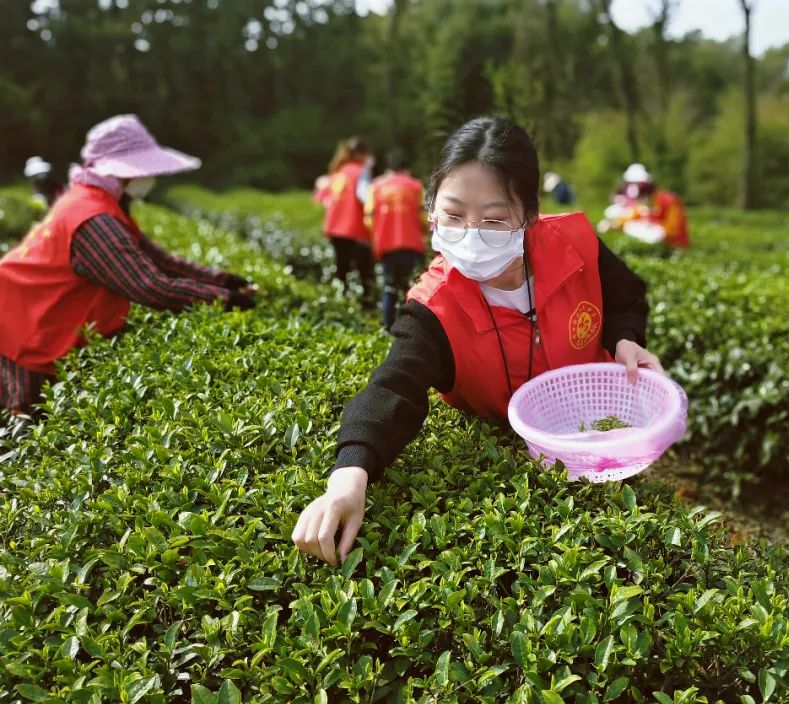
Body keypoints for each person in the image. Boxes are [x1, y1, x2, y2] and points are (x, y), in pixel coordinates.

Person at [292, 117, 662, 566]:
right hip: (518, 461)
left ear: (528, 213)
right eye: (452, 215)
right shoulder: (435, 307)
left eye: (493, 219)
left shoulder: (574, 244)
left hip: (597, 441)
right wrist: (348, 478)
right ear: (431, 210)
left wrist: (626, 339)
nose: (470, 234)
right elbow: (392, 387)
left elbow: (626, 294)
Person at [0, 114, 256, 415]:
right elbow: (150, 286)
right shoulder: (93, 220)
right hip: (20, 328)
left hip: (29, 317)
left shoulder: (97, 201)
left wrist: (225, 281)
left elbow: (159, 259)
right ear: (122, 172)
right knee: (23, 425)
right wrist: (228, 301)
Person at [370, 149, 427, 330]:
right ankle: (408, 328)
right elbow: (424, 217)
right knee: (410, 288)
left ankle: (388, 327)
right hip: (411, 244)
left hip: (386, 245)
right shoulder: (416, 186)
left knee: (389, 288)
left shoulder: (376, 186)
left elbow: (368, 218)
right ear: (406, 168)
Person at [322, 136, 376, 302]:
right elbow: (364, 196)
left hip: (335, 226)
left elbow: (325, 198)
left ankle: (342, 302)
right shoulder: (361, 171)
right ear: (362, 154)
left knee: (342, 267)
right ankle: (367, 303)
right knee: (364, 268)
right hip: (353, 227)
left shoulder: (338, 170)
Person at [601, 163, 690, 249]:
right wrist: (614, 224)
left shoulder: (670, 201)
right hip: (654, 239)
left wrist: (657, 229)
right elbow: (633, 215)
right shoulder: (645, 202)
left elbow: (673, 229)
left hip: (673, 244)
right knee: (630, 226)